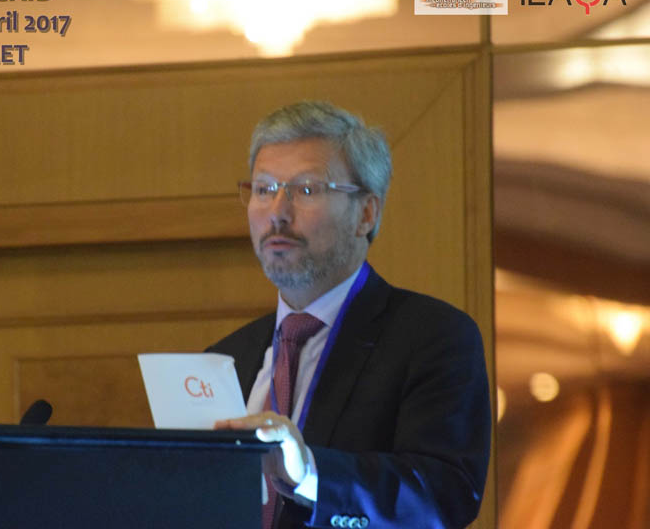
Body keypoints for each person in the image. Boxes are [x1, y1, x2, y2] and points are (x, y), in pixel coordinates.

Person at [209, 101, 491, 529]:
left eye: (306, 190)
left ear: (366, 214)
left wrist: (310, 473)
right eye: (264, 189)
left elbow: (444, 495)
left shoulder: (434, 337)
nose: (278, 211)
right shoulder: (224, 359)